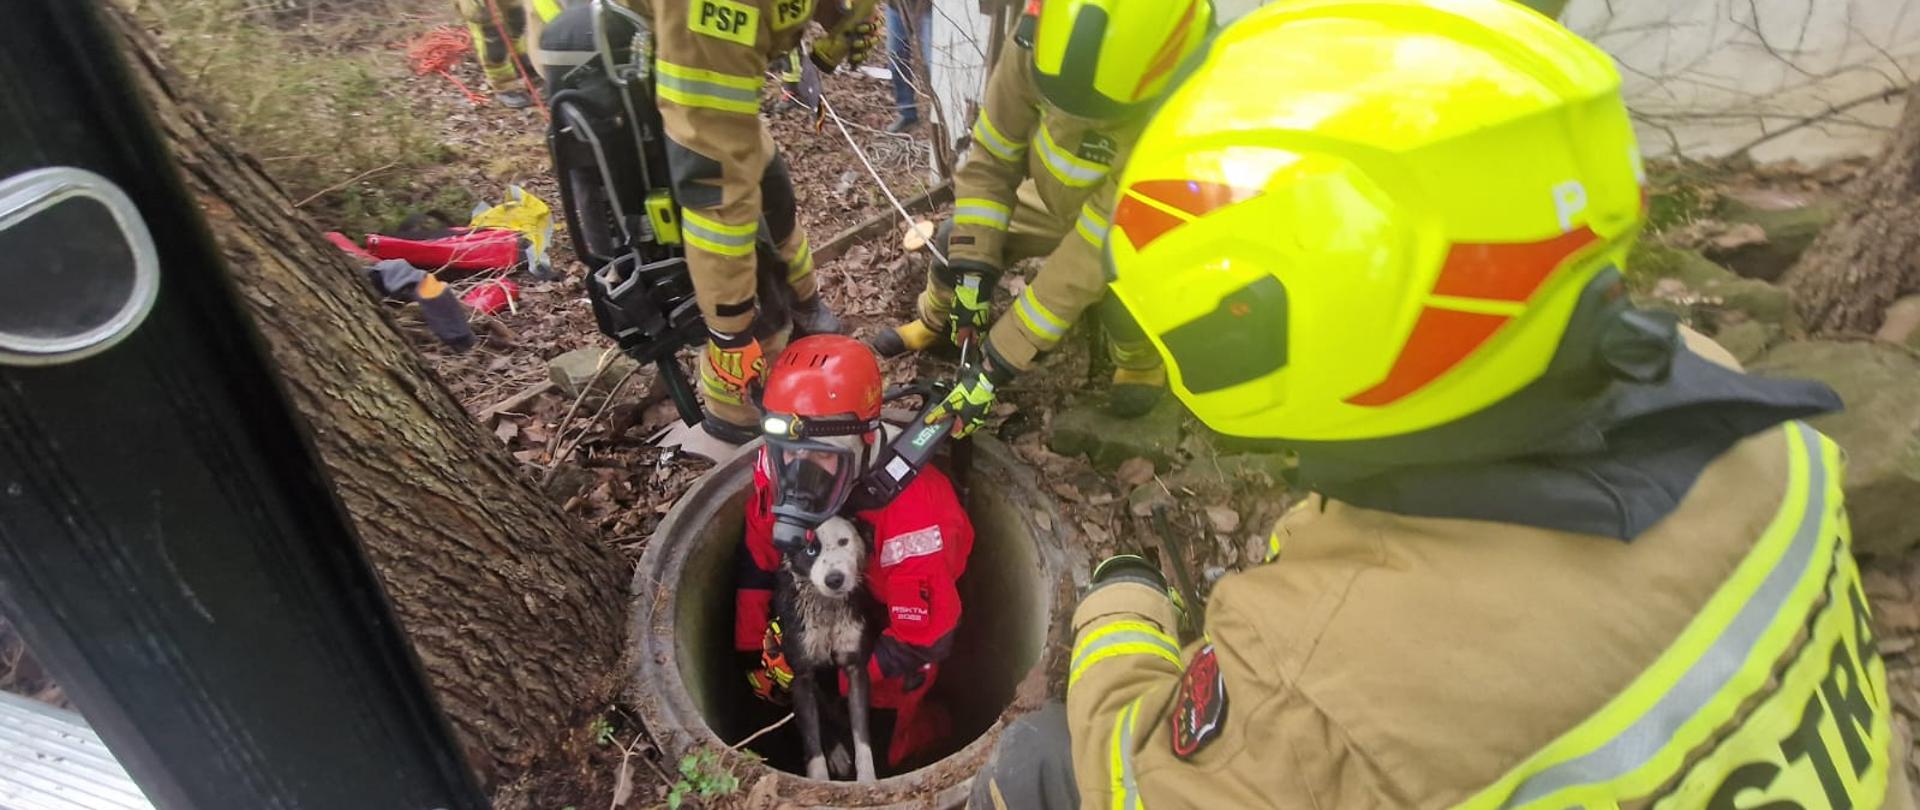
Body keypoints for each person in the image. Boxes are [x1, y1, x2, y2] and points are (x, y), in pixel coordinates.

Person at [971, 1, 1914, 808]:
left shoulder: (1326, 688)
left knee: (1039, 764)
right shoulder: (1752, 416)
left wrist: (1119, 610)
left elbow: (1134, 782)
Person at [876, 0, 1214, 431]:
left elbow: (1092, 248)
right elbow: (991, 159)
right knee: (954, 244)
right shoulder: (1039, 33)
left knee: (1126, 295)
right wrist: (975, 273)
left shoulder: (1182, 110)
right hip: (1047, 201)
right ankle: (936, 321)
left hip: (1124, 226)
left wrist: (999, 360)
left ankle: (1139, 362)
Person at [630, 0, 880, 443]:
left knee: (773, 197)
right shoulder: (717, 19)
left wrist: (835, 17)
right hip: (696, 62)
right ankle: (736, 412)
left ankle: (804, 306)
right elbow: (719, 201)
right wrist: (731, 334)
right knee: (736, 238)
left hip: (727, 62)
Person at [735, 335, 975, 769]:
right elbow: (760, 547)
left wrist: (839, 680)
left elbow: (924, 637)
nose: (799, 471)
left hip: (892, 638)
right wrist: (755, 646)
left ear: (866, 437)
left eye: (820, 456)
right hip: (820, 620)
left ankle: (932, 732)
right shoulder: (778, 467)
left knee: (883, 749)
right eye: (789, 452)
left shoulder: (918, 514)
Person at [884, 0, 933, 133]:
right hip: (895, 7)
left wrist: (919, 12)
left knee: (932, 66)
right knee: (897, 61)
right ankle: (907, 113)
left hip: (928, 9)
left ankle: (939, 118)